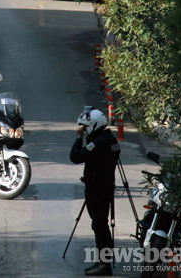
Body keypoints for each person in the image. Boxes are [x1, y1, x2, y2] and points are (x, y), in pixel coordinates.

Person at [70, 107, 121, 277]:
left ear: (93, 125)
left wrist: (79, 138)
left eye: (85, 127)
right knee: (100, 225)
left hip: (97, 189)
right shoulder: (111, 140)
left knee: (100, 226)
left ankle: (104, 264)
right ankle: (101, 261)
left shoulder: (98, 143)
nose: (84, 131)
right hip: (104, 187)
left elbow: (75, 156)